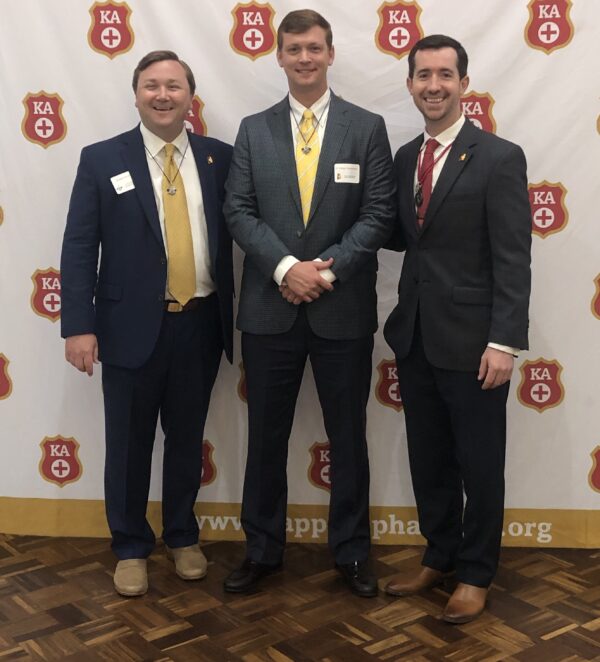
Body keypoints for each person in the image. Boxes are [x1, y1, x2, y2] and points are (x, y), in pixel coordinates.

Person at [223, 9, 395, 597]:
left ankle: (351, 553)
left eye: (314, 48)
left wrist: (325, 271)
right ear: (278, 55)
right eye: (293, 48)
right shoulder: (252, 129)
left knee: (349, 437)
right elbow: (238, 209)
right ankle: (262, 550)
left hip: (340, 309)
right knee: (266, 437)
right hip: (270, 310)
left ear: (330, 54)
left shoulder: (366, 127)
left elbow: (378, 214)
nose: (304, 58)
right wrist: (285, 268)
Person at [60, 50, 233, 597]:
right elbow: (79, 245)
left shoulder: (219, 159)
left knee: (187, 441)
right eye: (152, 85)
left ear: (190, 97)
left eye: (174, 86)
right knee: (129, 444)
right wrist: (77, 325)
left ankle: (182, 536)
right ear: (136, 93)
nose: (163, 95)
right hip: (128, 327)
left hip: (200, 325)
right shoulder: (101, 158)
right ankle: (131, 546)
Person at [383, 35, 531, 622]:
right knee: (429, 457)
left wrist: (503, 341)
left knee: (478, 460)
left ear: (465, 84)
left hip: (475, 345)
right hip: (415, 336)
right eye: (423, 75)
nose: (434, 85)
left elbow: (513, 257)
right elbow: (398, 236)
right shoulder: (402, 159)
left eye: (446, 74)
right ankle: (439, 554)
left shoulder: (499, 156)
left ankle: (475, 571)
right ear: (411, 84)